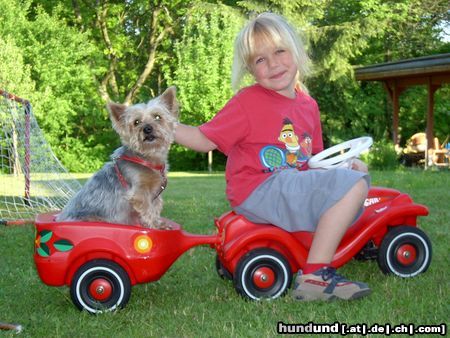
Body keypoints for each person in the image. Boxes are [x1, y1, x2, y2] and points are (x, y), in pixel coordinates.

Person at [175, 12, 371, 301]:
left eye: (280, 51)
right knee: (353, 184)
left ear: (296, 51)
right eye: (260, 60)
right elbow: (205, 140)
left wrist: (343, 167)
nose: (273, 63)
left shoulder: (308, 105)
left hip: (287, 184)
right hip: (259, 188)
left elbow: (312, 158)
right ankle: (315, 276)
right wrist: (163, 125)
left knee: (357, 171)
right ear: (250, 69)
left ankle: (318, 242)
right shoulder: (248, 102)